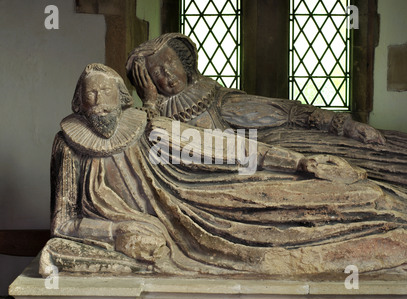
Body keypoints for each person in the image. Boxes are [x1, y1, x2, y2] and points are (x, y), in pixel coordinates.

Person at [40, 63, 407, 278]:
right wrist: (115, 229)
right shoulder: (68, 145)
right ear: (78, 101)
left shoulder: (149, 127)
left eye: (104, 94)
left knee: (321, 194)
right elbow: (63, 223)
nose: (97, 104)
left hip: (203, 195)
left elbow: (227, 148)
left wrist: (297, 161)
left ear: (122, 97)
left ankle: (381, 214)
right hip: (161, 231)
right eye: (89, 96)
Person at [126, 33, 407, 188]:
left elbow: (288, 113)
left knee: (375, 159)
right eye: (156, 73)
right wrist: (150, 101)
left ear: (185, 63)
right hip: (225, 180)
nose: (167, 75)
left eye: (170, 64)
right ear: (148, 82)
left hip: (277, 154)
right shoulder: (154, 115)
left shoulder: (217, 101)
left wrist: (342, 124)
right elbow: (157, 147)